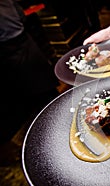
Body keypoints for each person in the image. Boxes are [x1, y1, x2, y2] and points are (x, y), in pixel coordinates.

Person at [0, 0, 61, 164]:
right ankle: (45, 147)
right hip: (12, 49)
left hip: (22, 44)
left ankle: (53, 138)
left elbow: (19, 14)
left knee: (46, 97)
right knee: (35, 100)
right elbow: (19, 15)